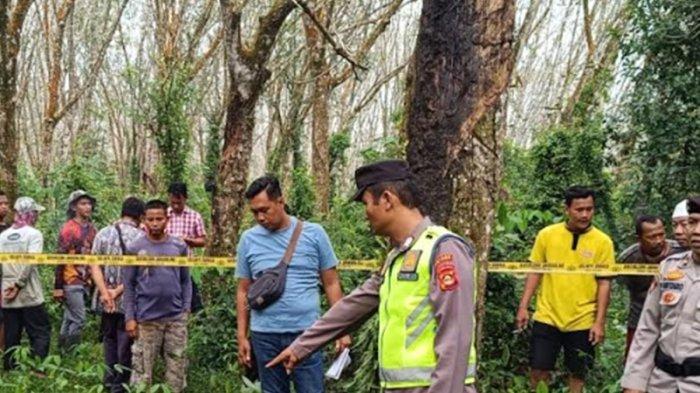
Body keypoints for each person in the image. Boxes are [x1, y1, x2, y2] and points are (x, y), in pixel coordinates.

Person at [267, 160, 477, 393]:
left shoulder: (443, 249)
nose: (366, 213)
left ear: (387, 199)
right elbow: (354, 306)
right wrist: (301, 347)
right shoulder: (399, 256)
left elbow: (456, 337)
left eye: (366, 203)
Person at [235, 175, 350, 393]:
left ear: (281, 201)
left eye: (264, 210)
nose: (260, 217)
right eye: (254, 212)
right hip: (264, 335)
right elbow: (243, 290)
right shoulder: (248, 240)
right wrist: (242, 336)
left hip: (307, 333)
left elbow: (332, 283)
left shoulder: (314, 234)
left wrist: (341, 330)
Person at [515, 186, 615, 393]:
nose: (585, 214)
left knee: (578, 375)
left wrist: (599, 322)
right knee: (538, 371)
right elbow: (535, 272)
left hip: (583, 319)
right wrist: (523, 307)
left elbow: (605, 283)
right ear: (567, 209)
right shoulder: (547, 235)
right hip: (547, 315)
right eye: (579, 209)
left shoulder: (603, 242)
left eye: (590, 209)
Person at [622, 196, 700, 392]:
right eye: (692, 222)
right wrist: (634, 383)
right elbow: (648, 328)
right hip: (662, 382)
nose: (697, 231)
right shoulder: (669, 268)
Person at [123, 199, 191, 393]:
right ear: (143, 220)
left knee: (177, 369)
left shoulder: (178, 246)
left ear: (167, 219)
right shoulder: (135, 247)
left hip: (175, 318)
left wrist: (186, 308)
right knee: (143, 373)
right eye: (150, 219)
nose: (154, 223)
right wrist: (130, 317)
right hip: (146, 319)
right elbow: (128, 284)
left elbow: (186, 280)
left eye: (159, 219)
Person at [91, 197, 145, 393]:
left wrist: (105, 292)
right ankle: (120, 385)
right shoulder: (141, 238)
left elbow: (95, 265)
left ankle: (108, 380)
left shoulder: (103, 233)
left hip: (106, 301)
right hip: (127, 300)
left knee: (109, 339)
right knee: (125, 341)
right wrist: (117, 291)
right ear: (140, 216)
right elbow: (139, 272)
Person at [619, 215, 685, 360]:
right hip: (640, 311)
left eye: (661, 234)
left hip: (674, 312)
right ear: (639, 238)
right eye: (652, 237)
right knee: (633, 358)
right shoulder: (629, 259)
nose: (659, 240)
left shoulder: (682, 252)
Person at [0, 197, 51, 370]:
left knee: (11, 335)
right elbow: (31, 261)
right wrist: (19, 284)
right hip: (29, 292)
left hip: (7, 292)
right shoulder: (34, 234)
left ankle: (9, 370)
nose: (37, 216)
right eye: (35, 212)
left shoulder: (3, 236)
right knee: (40, 331)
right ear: (29, 213)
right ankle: (37, 369)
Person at [54, 189, 98, 350]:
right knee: (79, 319)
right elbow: (60, 259)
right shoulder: (68, 229)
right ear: (74, 207)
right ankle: (71, 353)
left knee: (69, 317)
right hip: (70, 280)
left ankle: (61, 352)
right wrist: (58, 287)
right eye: (83, 203)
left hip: (85, 280)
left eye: (89, 203)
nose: (87, 207)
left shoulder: (92, 229)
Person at [165, 182, 205, 312]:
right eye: (173, 202)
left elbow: (203, 241)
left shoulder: (195, 216)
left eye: (179, 202)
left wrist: (188, 240)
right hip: (164, 265)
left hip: (187, 264)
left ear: (185, 198)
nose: (176, 206)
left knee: (192, 299)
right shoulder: (163, 216)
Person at [0, 190, 12, 353]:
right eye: (0, 204)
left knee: (4, 317)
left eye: (5, 204)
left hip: (6, 278)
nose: (3, 207)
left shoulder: (10, 231)